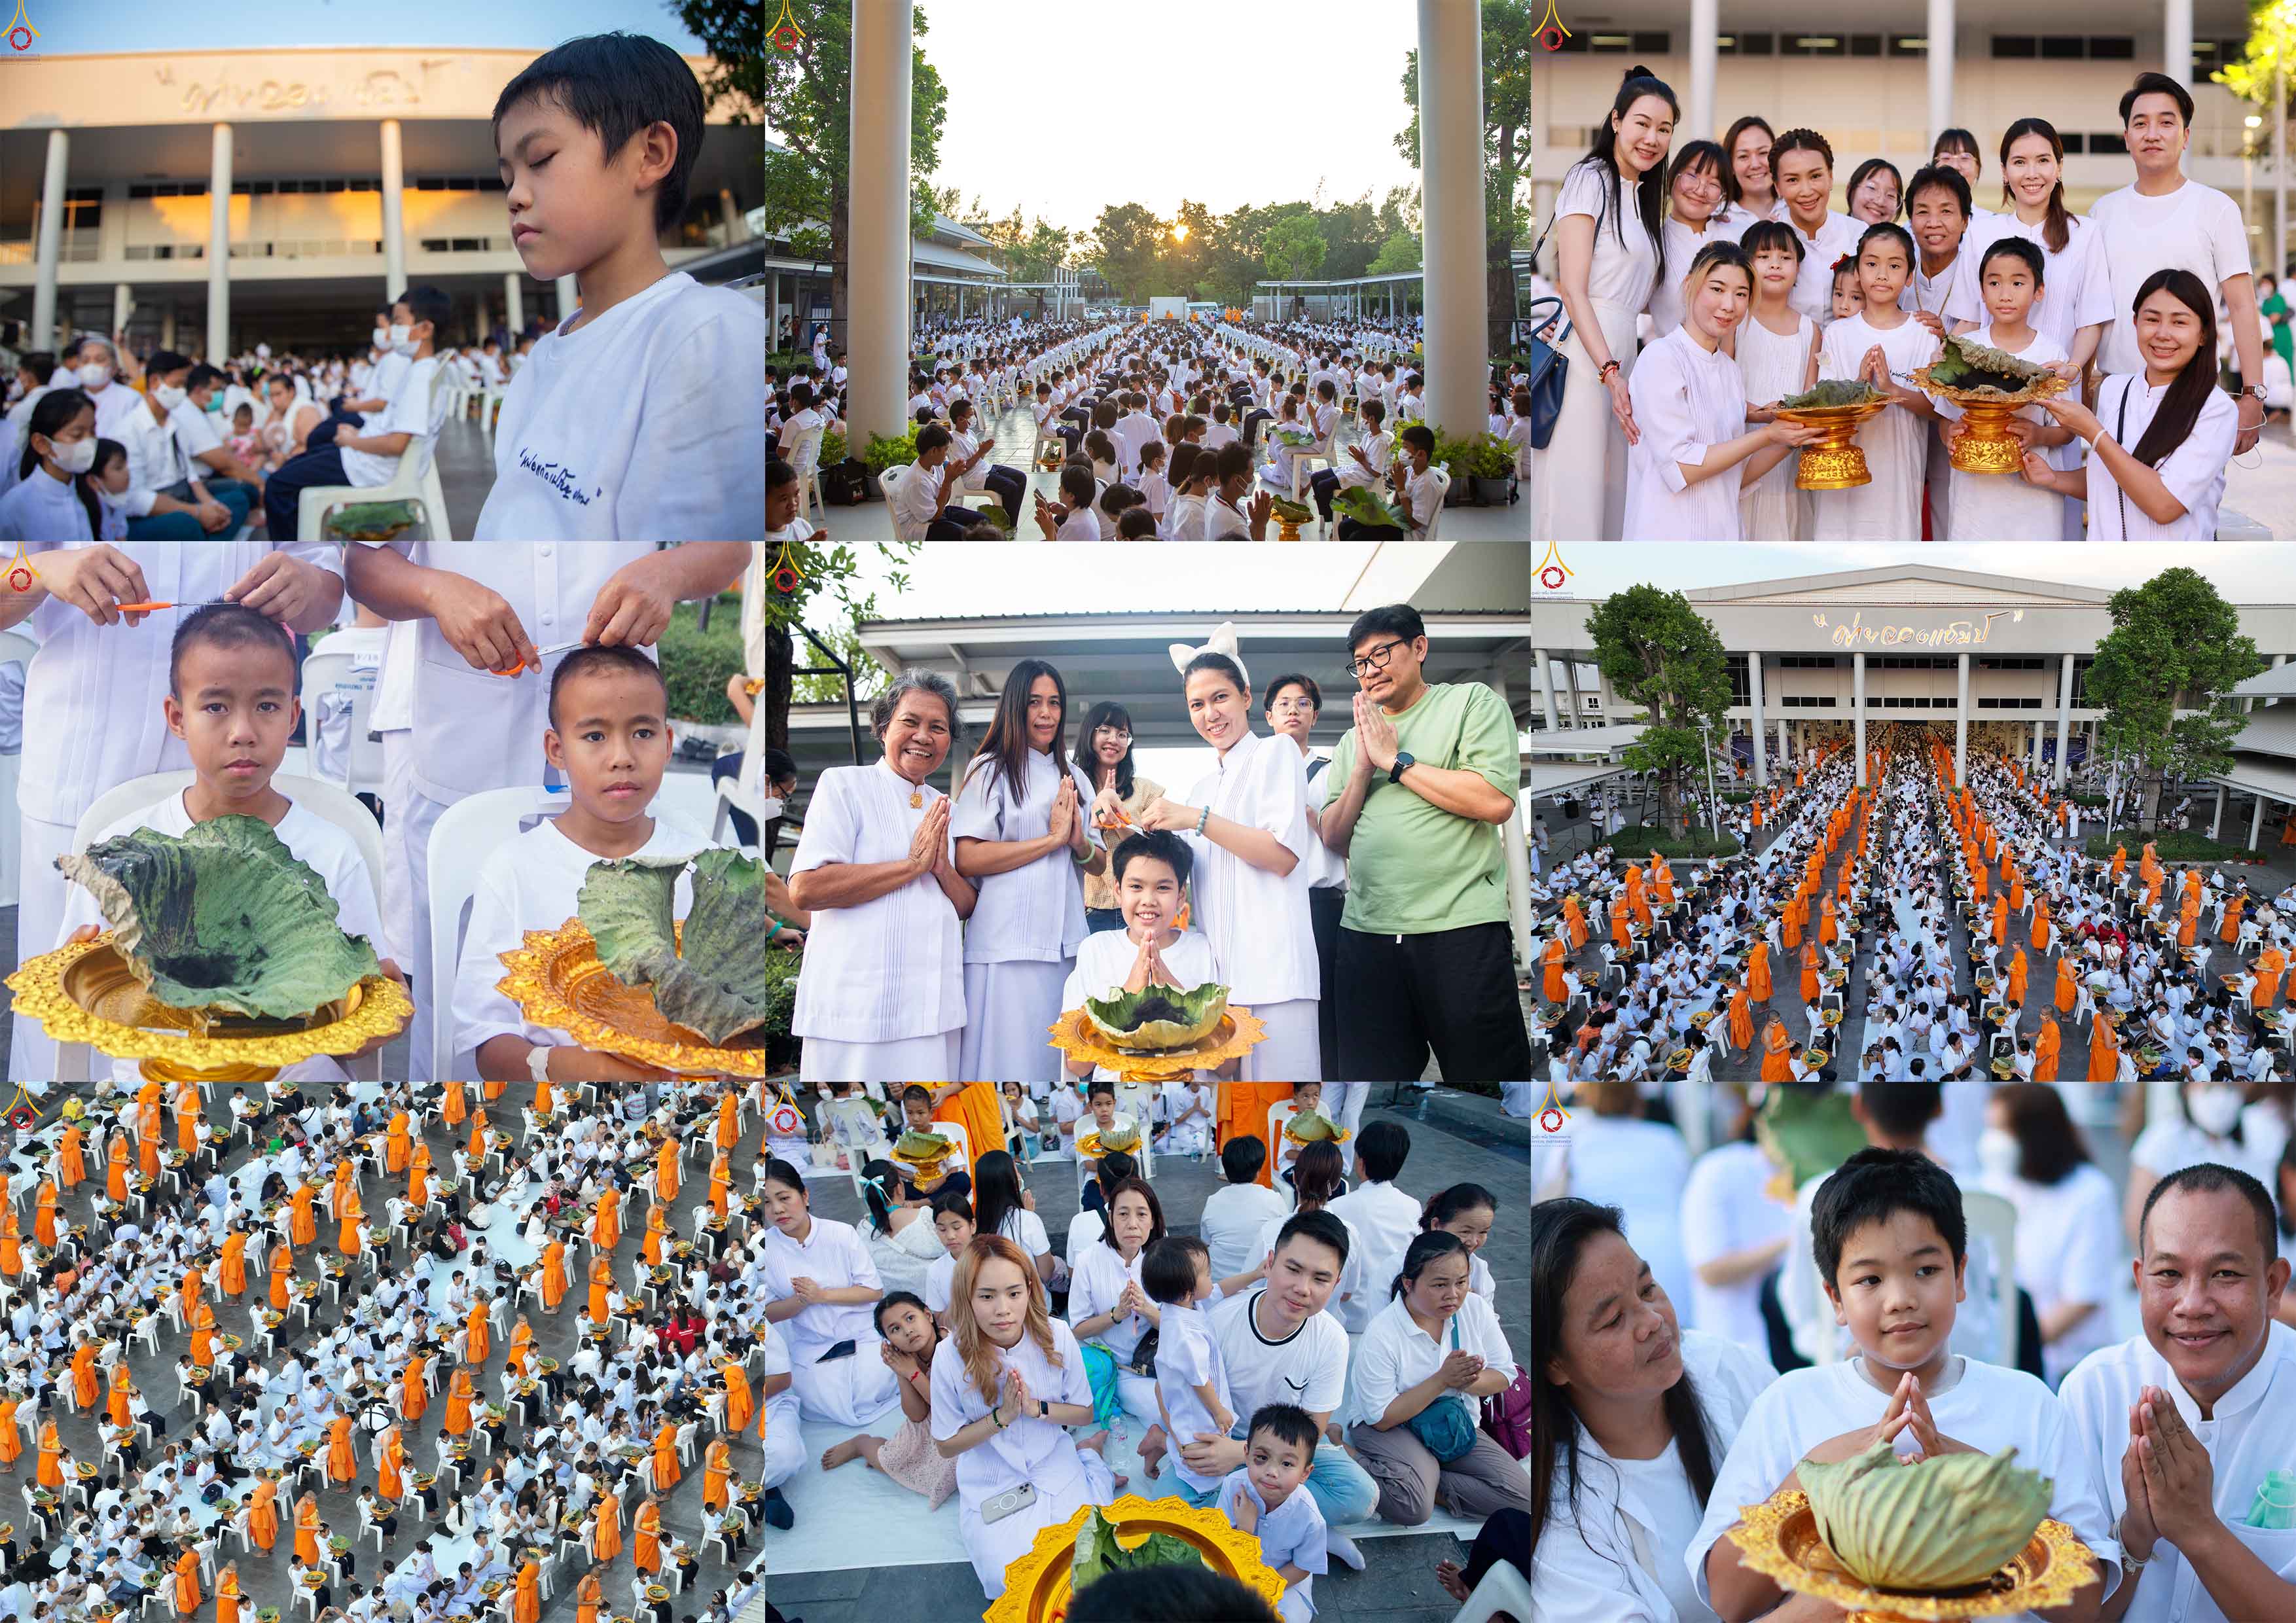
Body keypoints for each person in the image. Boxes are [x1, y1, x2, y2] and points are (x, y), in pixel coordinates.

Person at [1689, 1147, 2121, 1623]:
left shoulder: (2029, 1404)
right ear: (1835, 1298)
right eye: (1870, 1279)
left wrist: (1982, 1482)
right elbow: (1728, 1600)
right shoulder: (1789, 1405)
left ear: (1960, 1276)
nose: (1900, 1299)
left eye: (1926, 1271)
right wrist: (1816, 1472)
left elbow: (2084, 1608)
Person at [2, 543, 347, 1085]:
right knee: (70, 1011)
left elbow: (327, 588)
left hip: (232, 777)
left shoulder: (331, 846)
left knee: (228, 1009)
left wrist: (307, 585)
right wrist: (39, 569)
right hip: (81, 765)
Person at [55, 607, 403, 1086]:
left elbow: (369, 985)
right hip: (153, 1075)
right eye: (216, 706)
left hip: (295, 1075)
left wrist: (383, 1011)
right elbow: (72, 983)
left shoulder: (332, 849)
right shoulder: (123, 851)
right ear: (177, 717)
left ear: (293, 716)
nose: (243, 732)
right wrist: (75, 968)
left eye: (266, 706)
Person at [475, 33, 765, 537]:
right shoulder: (538, 365)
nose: (516, 196)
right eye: (507, 176)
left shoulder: (704, 333)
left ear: (650, 154)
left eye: (540, 158)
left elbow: (676, 563)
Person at [452, 646, 725, 1082]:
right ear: (557, 750)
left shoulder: (702, 868)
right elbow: (487, 1042)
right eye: (595, 737)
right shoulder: (514, 870)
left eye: (643, 733)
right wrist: (587, 1067)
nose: (622, 757)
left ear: (668, 742)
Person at [2060, 1163, 2296, 1623]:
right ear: (2139, 1278)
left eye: (2225, 1274)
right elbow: (2065, 1614)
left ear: (2273, 1286)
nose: (2192, 1305)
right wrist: (2133, 1536)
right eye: (2168, 1274)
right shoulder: (2095, 1391)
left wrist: (2198, 1530)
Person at [1528, 1198, 1777, 1620]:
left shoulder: (1726, 1368)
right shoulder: (1561, 1517)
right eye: (1612, 1321)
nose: (1652, 1321)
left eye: (1648, 1289)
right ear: (1555, 1363)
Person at [1318, 605, 1530, 1081]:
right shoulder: (1355, 741)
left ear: (1419, 647)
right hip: (1367, 933)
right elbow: (1334, 838)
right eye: (1361, 662)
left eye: (1381, 654)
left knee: (1484, 1079)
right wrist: (1362, 766)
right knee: (1374, 1084)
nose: (1370, 671)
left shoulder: (1471, 702)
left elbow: (1495, 800)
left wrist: (1395, 762)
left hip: (1459, 928)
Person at [787, 671, 977, 1082]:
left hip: (930, 1007)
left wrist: (941, 867)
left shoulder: (947, 809)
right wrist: (910, 867)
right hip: (855, 1006)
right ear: (884, 726)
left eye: (938, 728)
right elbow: (805, 889)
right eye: (910, 722)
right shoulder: (844, 786)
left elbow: (966, 906)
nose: (923, 736)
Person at [1942, 122, 2111, 533]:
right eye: (2019, 162)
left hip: (2052, 395)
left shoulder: (2084, 232)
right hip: (1987, 402)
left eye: (2042, 161)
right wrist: (1944, 368)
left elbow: (2091, 317)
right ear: (2004, 171)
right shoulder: (1982, 232)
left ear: (2059, 168)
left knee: (2046, 521)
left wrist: (2070, 368)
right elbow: (1966, 316)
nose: (2031, 173)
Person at [2087, 71, 2267, 454]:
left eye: (2166, 122)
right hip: (2116, 394)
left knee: (2182, 510)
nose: (2152, 133)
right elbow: (2093, 309)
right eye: (2140, 124)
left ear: (2185, 136)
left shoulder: (2216, 209)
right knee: (2111, 510)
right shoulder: (2103, 212)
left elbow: (2242, 305)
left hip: (2192, 394)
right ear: (2127, 138)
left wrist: (2253, 394)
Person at [1533, 67, 1676, 543]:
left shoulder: (1646, 198)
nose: (1652, 138)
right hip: (1588, 357)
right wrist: (1610, 371)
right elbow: (1573, 289)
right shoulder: (1590, 177)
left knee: (1615, 491)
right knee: (1579, 487)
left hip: (1625, 357)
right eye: (1642, 123)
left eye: (1664, 128)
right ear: (1616, 121)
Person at [931, 1234, 1115, 1599]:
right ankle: (1091, 1458)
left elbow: (1083, 1413)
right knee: (1010, 1583)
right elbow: (947, 1446)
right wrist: (1002, 1417)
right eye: (987, 1296)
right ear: (967, 1298)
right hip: (994, 1478)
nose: (1003, 1309)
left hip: (1052, 1463)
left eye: (1014, 1293)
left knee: (1091, 1569)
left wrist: (1036, 1410)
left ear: (1030, 1290)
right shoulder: (948, 1355)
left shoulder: (1056, 1333)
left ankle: (1089, 1459)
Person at [952, 658, 1103, 1080]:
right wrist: (1050, 841)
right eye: (1035, 702)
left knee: (1057, 1063)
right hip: (1005, 944)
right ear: (1015, 707)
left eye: (1055, 703)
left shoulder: (1076, 778)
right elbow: (967, 857)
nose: (1046, 713)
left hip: (1064, 943)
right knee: (1006, 1063)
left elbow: (1098, 863)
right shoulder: (990, 769)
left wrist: (1076, 842)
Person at [2021, 268, 2238, 543]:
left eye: (2179, 323)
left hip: (2172, 577)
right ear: (2135, 322)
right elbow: (2112, 479)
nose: (2162, 334)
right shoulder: (2114, 390)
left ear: (2204, 334)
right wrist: (2053, 478)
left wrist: (2093, 433)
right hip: (2105, 571)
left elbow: (2165, 505)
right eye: (2152, 319)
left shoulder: (2216, 409)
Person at [1624, 241, 1819, 541]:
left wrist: (1792, 437)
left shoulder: (1729, 371)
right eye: (1717, 289)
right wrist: (1767, 434)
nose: (1729, 305)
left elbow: (1736, 475)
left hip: (1724, 539)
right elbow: (1682, 467)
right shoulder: (1660, 357)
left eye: (1741, 294)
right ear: (1690, 285)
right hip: (1668, 537)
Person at [1347, 1231, 1528, 1526]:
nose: (1453, 1294)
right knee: (1414, 1510)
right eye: (1440, 1285)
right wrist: (1443, 1380)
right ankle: (1350, 1456)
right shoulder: (1382, 1333)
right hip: (1393, 1426)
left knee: (1524, 1500)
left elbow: (1505, 1374)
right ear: (1409, 1283)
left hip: (1451, 1423)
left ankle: (1428, 1479)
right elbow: (1381, 1417)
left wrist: (1467, 1380)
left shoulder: (1475, 1309)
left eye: (1461, 1282)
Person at [260, 287, 448, 539]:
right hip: (364, 458)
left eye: (399, 322)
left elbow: (395, 444)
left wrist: (352, 441)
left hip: (367, 466)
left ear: (425, 329)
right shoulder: (421, 370)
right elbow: (391, 426)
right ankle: (303, 545)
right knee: (297, 464)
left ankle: (295, 559)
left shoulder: (419, 377)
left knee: (278, 486)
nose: (392, 331)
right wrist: (357, 433)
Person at [1976, 1084, 2121, 1387]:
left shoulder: (2090, 1194)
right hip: (2005, 1361)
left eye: (2003, 1130)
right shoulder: (1996, 1183)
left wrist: (2014, 1347)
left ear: (2035, 1135)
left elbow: (2081, 1300)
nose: (1993, 1141)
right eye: (1991, 1128)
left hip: (2069, 1366)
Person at [1058, 832, 1224, 1082]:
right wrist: (1127, 998)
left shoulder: (1202, 950)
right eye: (1136, 886)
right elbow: (1077, 1065)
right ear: (1118, 890)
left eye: (1163, 888)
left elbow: (1227, 1065)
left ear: (1180, 896)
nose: (1148, 901)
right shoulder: (1096, 950)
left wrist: (1175, 995)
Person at [1937, 238, 2071, 542]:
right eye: (1994, 283)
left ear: (2039, 291)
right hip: (1974, 495)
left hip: (2033, 493)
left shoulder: (2052, 354)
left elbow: (2066, 431)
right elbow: (1944, 416)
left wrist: (2038, 435)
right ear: (1982, 291)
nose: (2005, 294)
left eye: (2018, 283)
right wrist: (1949, 434)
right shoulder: (1965, 349)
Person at [1812, 223, 1938, 541]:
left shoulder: (1923, 334)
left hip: (1899, 478)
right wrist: (1859, 385)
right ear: (1858, 273)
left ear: (1910, 276)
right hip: (1844, 476)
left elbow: (1936, 409)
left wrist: (1893, 391)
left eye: (1894, 266)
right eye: (1872, 264)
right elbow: (1825, 405)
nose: (1882, 274)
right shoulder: (1838, 334)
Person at [759, 1157, 899, 1426]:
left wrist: (821, 1296)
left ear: (805, 1195)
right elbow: (768, 1313)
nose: (777, 1209)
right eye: (767, 1202)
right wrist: (800, 1301)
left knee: (870, 1384)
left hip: (862, 1335)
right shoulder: (766, 1248)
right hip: (814, 1345)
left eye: (784, 1198)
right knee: (812, 1392)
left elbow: (873, 1291)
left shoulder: (841, 1234)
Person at [816, 1291, 960, 1508]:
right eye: (895, 1330)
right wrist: (901, 1370)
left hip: (959, 1418)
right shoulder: (908, 1357)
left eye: (910, 1318)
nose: (907, 1330)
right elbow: (917, 1415)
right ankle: (862, 1444)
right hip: (929, 1421)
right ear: (889, 1340)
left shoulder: (953, 1346)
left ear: (928, 1315)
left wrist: (913, 1373)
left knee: (950, 1472)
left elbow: (950, 1406)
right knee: (894, 1461)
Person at [1734, 221, 1818, 542]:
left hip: (1788, 455)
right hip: (1742, 448)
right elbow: (1720, 394)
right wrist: (1762, 415)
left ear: (1798, 266)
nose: (1774, 264)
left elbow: (1811, 400)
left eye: (1785, 257)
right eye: (1764, 256)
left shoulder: (1810, 330)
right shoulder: (1736, 322)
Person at [1218, 1404, 1328, 1623]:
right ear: (1247, 1454)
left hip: (1284, 1579)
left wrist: (1265, 1587)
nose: (1271, 1471)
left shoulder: (1309, 1517)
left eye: (1287, 1463)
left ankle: (1328, 1543)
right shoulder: (1233, 1486)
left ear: (1305, 1473)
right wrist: (1245, 1530)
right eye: (1262, 1458)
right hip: (1235, 1568)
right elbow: (1219, 1541)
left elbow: (1303, 1567)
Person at [1075, 700, 1163, 934]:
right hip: (1087, 911)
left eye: (1122, 734)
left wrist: (1118, 822)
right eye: (1105, 730)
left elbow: (1160, 852)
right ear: (1089, 735)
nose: (1114, 740)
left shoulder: (1147, 792)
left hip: (1139, 912)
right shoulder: (1072, 788)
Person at [1646, 141, 1747, 340]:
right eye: (1693, 176)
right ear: (1673, 177)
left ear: (1723, 194)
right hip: (1673, 362)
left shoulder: (1740, 235)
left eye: (1714, 184)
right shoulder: (1652, 244)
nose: (1701, 190)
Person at [1770, 130, 1863, 325]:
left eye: (1815, 176)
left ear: (1830, 176)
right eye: (1792, 180)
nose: (1806, 191)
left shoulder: (1860, 235)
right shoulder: (1764, 239)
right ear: (1778, 187)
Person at [1200, 1137, 1291, 1284]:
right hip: (1259, 1284)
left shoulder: (1213, 1200)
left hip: (1218, 1284)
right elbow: (1285, 1239)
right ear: (1258, 1171)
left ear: (1226, 1171)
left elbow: (1206, 1241)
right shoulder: (1274, 1199)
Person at [1716, 115, 1780, 228]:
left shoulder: (1796, 210)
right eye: (1743, 156)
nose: (1755, 165)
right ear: (1730, 166)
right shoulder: (1717, 219)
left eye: (1763, 153)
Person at [1846, 158, 1903, 224]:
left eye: (1891, 195)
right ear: (1850, 190)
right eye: (1872, 188)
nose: (1880, 202)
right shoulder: (1833, 232)